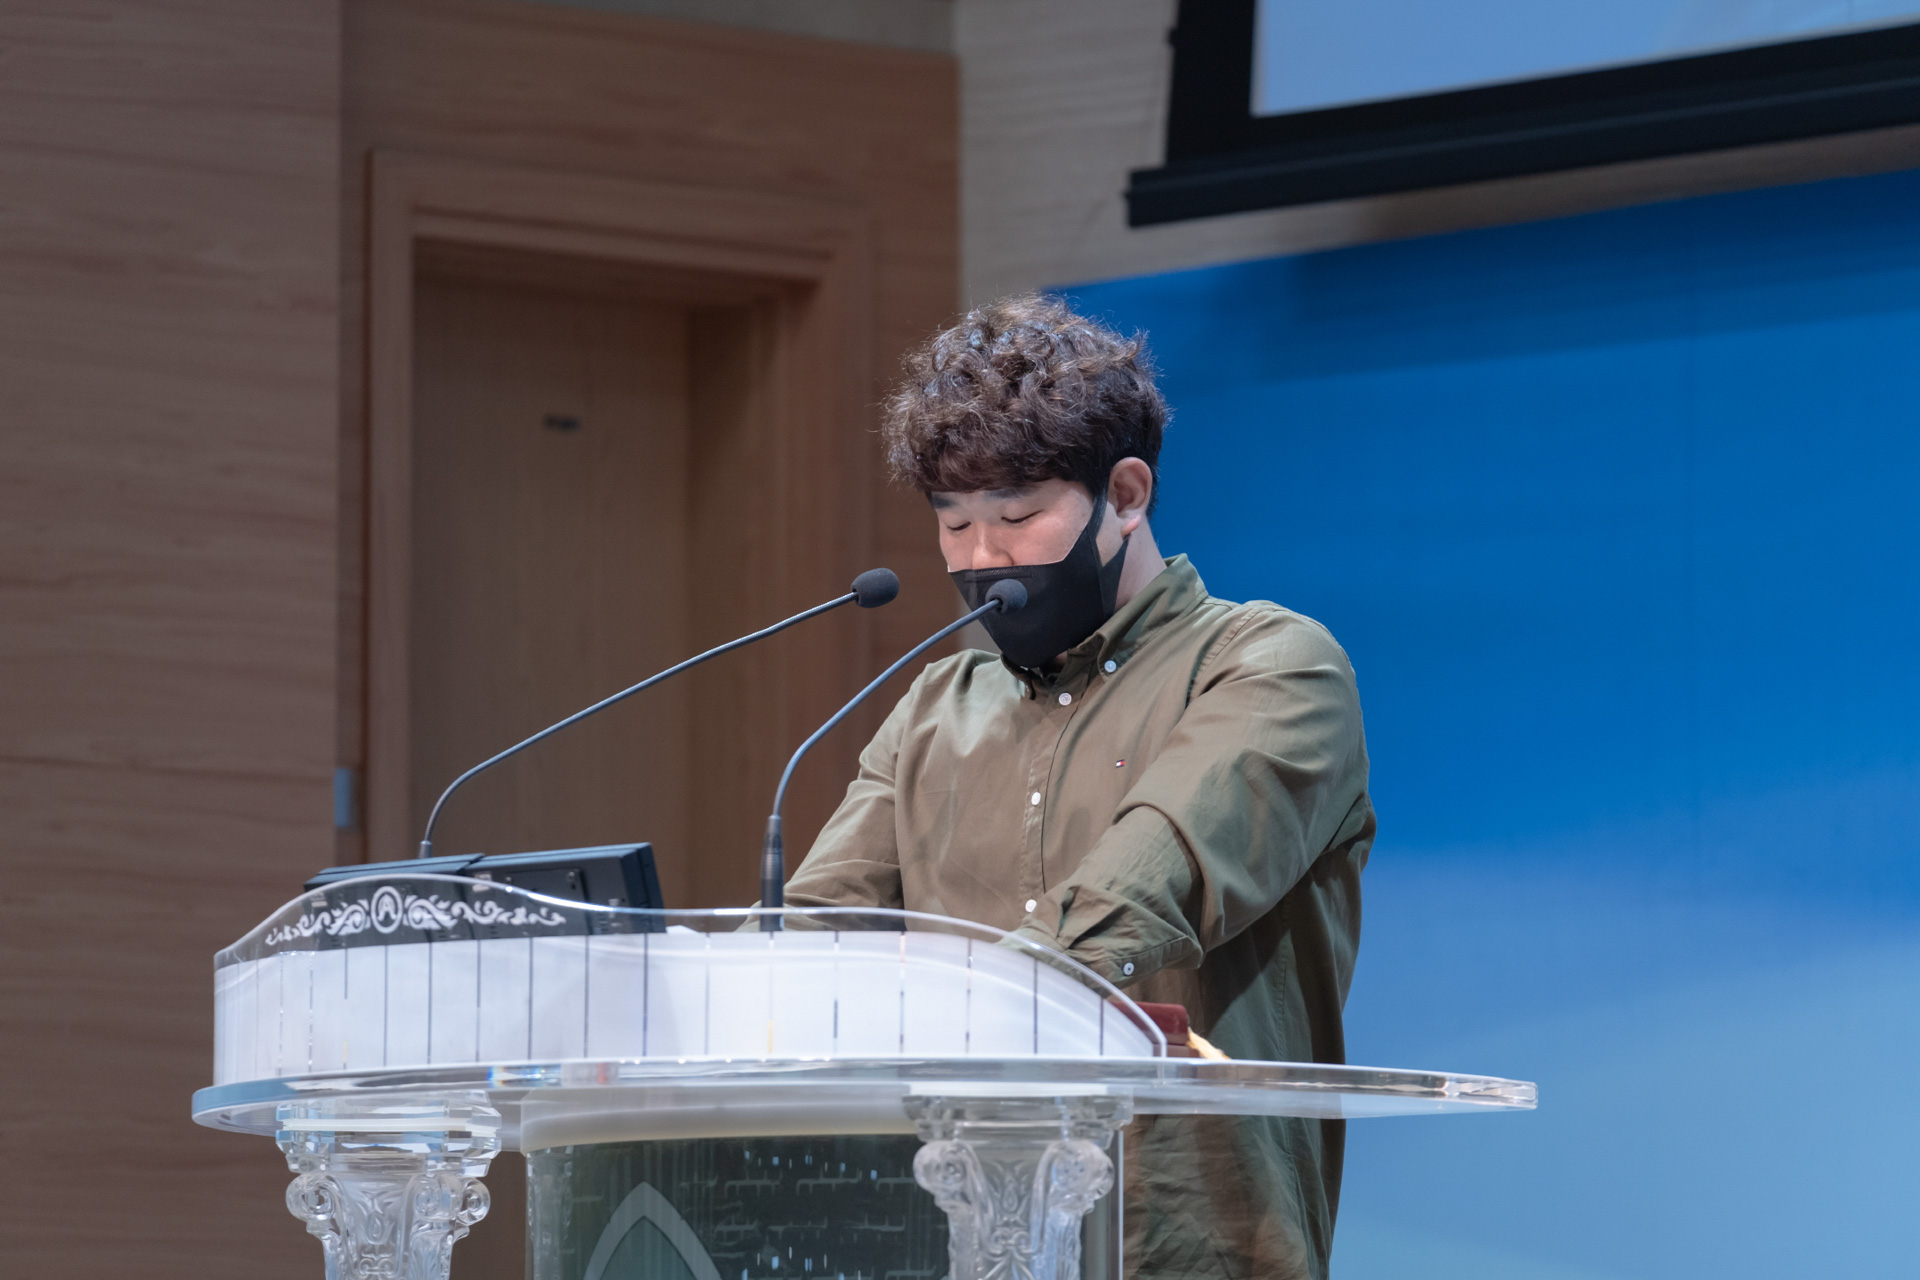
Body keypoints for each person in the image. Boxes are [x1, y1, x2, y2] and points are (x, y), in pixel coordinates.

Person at [784, 294, 1373, 1280]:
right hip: (947, 1240)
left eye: (1017, 517)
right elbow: (818, 938)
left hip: (1190, 1245)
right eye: (953, 522)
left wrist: (976, 1007)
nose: (982, 558)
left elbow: (1144, 889)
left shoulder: (1272, 665)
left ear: (1127, 494)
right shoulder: (936, 704)